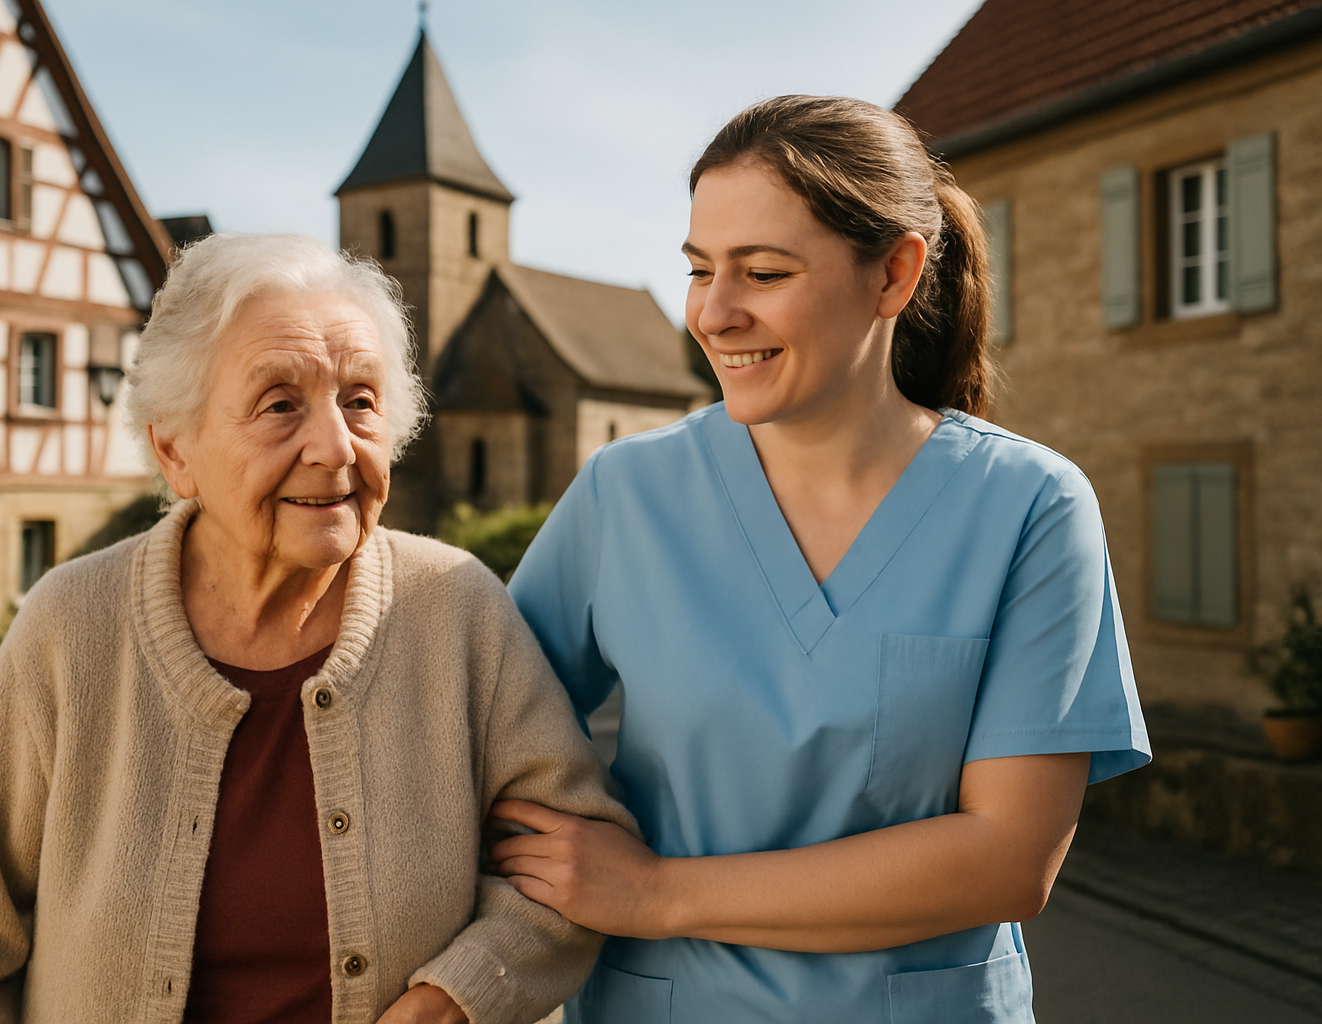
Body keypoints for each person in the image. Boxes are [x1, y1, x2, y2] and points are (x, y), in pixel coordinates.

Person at [492, 96, 1151, 1024]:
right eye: (698, 269)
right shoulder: (623, 495)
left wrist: (656, 894)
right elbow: (476, 740)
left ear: (894, 274)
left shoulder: (1029, 507)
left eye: (763, 271)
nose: (714, 314)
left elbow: (1010, 861)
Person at [0, 233, 633, 1024]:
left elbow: (573, 867)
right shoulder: (69, 628)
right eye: (280, 405)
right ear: (176, 451)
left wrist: (457, 996)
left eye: (360, 400)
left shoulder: (457, 610)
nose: (333, 446)